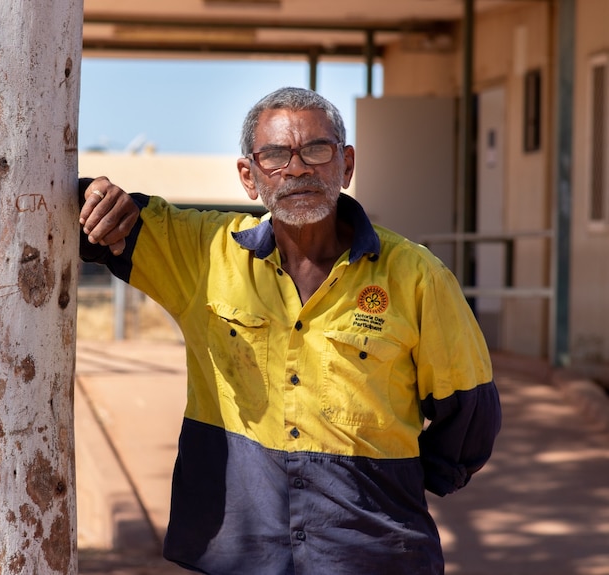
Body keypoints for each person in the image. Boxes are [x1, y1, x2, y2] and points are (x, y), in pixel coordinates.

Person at [77, 87, 501, 575]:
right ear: (248, 176)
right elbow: (88, 216)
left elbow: (470, 418)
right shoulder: (204, 254)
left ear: (346, 165)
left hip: (374, 555)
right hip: (240, 553)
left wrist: (387, 483)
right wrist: (96, 195)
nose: (297, 169)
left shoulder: (416, 276)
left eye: (316, 151)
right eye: (275, 155)